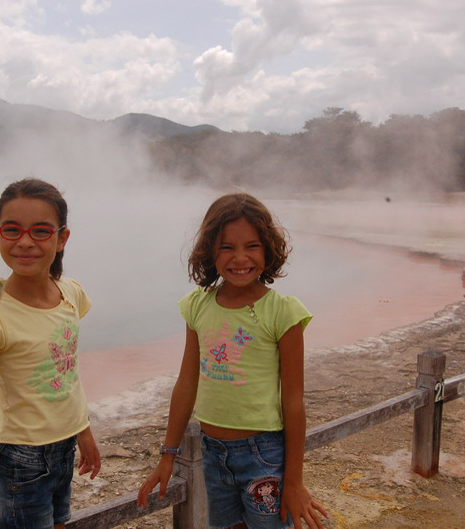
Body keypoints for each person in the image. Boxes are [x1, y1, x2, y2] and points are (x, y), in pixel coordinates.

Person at [137, 193, 328, 529]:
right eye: (226, 247)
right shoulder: (197, 305)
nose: (240, 258)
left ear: (268, 249)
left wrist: (294, 482)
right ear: (210, 251)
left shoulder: (282, 312)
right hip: (211, 454)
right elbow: (186, 383)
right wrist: (167, 455)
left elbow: (294, 401)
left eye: (251, 246)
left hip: (263, 453)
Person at [0, 178, 101, 529]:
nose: (25, 242)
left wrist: (83, 431)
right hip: (19, 463)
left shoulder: (71, 293)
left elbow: (67, 373)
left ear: (62, 239)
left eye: (41, 231)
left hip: (64, 451)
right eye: (12, 230)